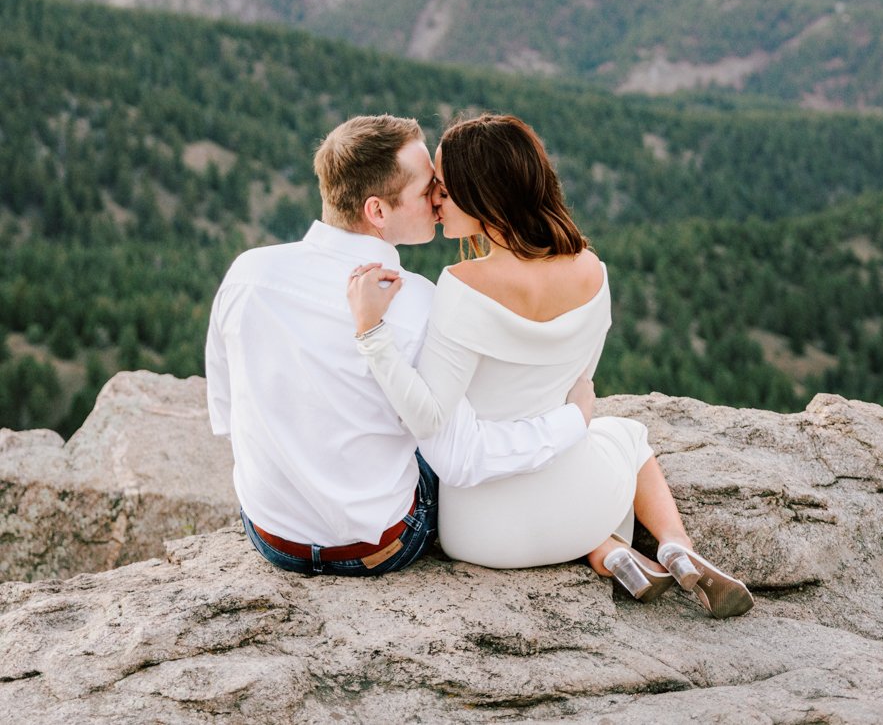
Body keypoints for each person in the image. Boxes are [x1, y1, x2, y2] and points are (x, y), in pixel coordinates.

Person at [347, 112, 753, 616]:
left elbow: (427, 417)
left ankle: (613, 555)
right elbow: (578, 383)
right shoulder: (592, 270)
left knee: (581, 437)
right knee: (627, 436)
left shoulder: (461, 286)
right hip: (578, 506)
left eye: (445, 190)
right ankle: (672, 544)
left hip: (480, 535)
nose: (434, 201)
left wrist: (371, 334)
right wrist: (571, 416)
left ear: (483, 194)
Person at [206, 113, 594, 578]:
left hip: (271, 536)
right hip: (380, 545)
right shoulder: (415, 306)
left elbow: (228, 412)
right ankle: (593, 533)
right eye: (427, 188)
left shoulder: (248, 274)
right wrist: (572, 420)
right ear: (377, 212)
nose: (438, 200)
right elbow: (463, 459)